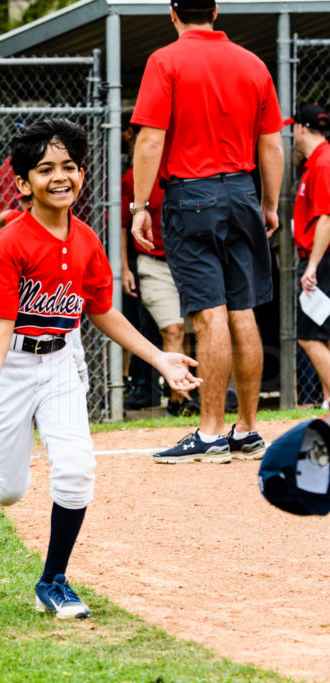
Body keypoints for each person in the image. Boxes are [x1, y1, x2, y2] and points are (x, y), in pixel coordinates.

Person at [0, 118, 202, 619]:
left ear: (82, 173)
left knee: (75, 468)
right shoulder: (9, 243)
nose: (60, 177)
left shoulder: (89, 241)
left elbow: (101, 311)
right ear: (23, 184)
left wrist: (158, 356)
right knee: (7, 492)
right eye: (45, 169)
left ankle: (53, 580)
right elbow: (0, 322)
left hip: (61, 364)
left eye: (69, 166)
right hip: (11, 365)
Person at [131, 0, 283, 463]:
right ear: (216, 11)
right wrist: (269, 204)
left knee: (208, 314)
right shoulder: (252, 62)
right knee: (243, 311)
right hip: (242, 193)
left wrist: (140, 206)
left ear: (173, 13)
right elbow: (271, 143)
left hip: (190, 195)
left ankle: (212, 432)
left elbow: (151, 138)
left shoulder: (166, 60)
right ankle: (248, 430)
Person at [120, 122, 199, 417]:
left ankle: (189, 392)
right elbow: (123, 227)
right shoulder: (133, 178)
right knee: (173, 329)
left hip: (189, 263)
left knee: (196, 331)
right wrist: (125, 268)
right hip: (153, 263)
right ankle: (180, 399)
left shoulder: (186, 171)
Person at [290, 102, 330, 409]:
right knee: (322, 333)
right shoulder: (317, 160)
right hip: (320, 258)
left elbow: (326, 218)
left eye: (294, 127)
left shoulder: (322, 163)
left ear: (301, 128)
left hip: (322, 259)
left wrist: (312, 265)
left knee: (309, 336)